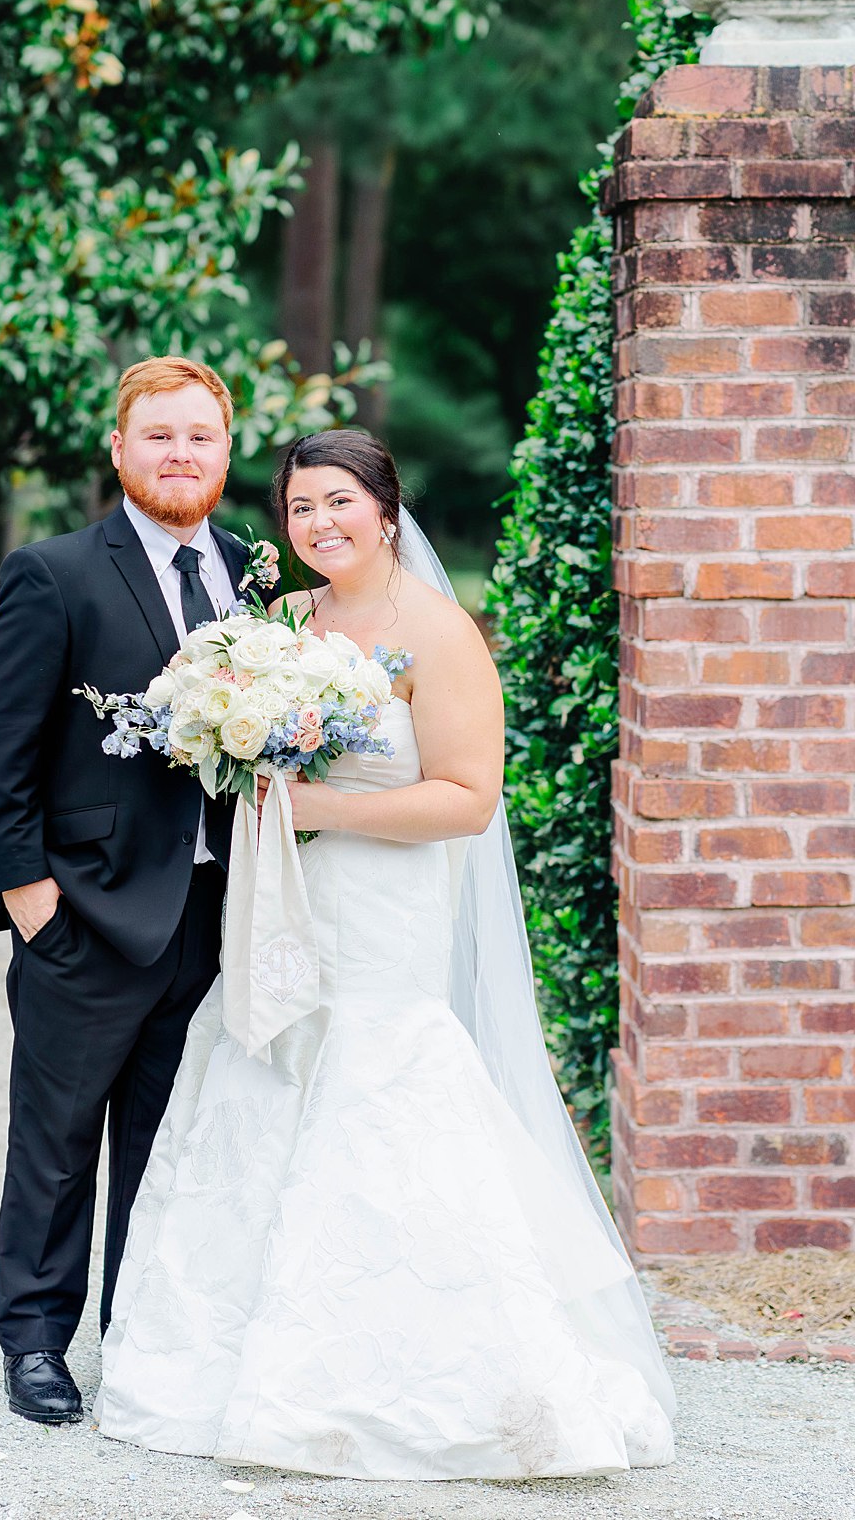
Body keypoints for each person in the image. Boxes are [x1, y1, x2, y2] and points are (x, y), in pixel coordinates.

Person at [94, 430, 676, 1480]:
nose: (320, 524)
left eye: (338, 502)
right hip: (288, 903)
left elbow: (468, 798)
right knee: (267, 1073)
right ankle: (235, 1367)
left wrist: (316, 802)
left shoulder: (442, 634)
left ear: (386, 508)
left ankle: (430, 1379)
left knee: (383, 1089)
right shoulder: (276, 628)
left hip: (385, 910)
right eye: (301, 508)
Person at [0, 356, 271, 1427]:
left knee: (166, 1140)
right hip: (84, 912)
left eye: (200, 437)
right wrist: (27, 894)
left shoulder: (250, 573)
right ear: (119, 450)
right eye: (160, 436)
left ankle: (139, 1335)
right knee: (56, 1143)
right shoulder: (54, 572)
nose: (181, 454)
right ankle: (36, 1343)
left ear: (225, 454)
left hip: (207, 915)